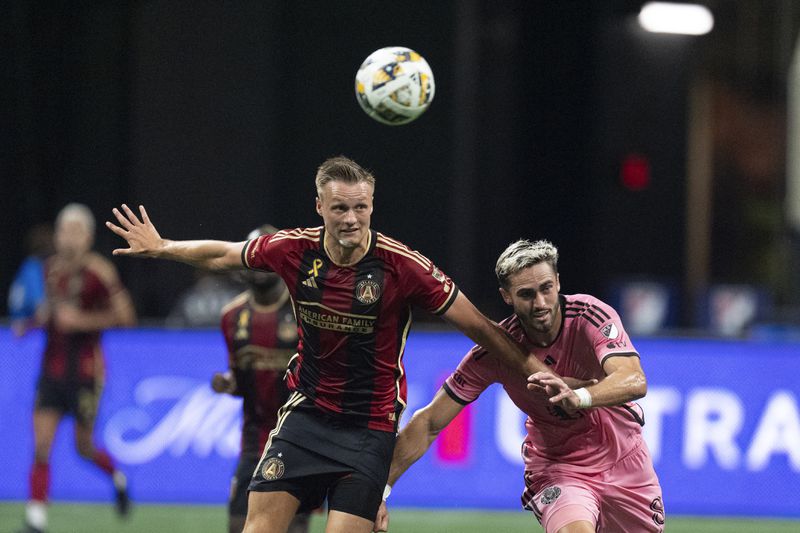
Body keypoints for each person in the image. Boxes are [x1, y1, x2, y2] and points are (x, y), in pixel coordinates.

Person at [105, 155, 554, 533]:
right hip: (306, 418)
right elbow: (225, 253)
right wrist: (163, 247)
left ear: (373, 205)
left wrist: (543, 372)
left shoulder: (404, 268)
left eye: (360, 207)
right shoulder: (293, 250)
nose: (351, 219)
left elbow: (479, 327)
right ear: (319, 205)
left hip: (369, 429)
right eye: (339, 207)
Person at [375, 239, 665, 533]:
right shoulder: (496, 352)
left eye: (546, 288)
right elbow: (428, 423)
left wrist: (578, 397)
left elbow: (634, 380)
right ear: (507, 296)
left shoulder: (590, 316)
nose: (540, 303)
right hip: (560, 468)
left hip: (625, 460)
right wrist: (378, 491)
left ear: (558, 282)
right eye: (526, 294)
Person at [21, 204, 137, 533]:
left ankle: (118, 478)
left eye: (75, 231)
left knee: (83, 447)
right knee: (41, 445)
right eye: (63, 231)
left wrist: (81, 321)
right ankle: (36, 520)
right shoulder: (49, 271)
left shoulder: (100, 272)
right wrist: (32, 323)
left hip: (87, 372)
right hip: (52, 369)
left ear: (87, 237)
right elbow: (50, 314)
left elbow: (126, 318)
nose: (68, 238)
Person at [211, 224, 309, 533]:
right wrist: (229, 383)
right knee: (238, 525)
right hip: (254, 440)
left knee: (294, 526)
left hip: (299, 439)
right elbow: (241, 377)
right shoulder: (232, 317)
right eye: (256, 260)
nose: (261, 268)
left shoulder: (304, 308)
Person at [8, 223, 53, 336]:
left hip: (15, 330)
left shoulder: (27, 266)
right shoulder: (33, 268)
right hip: (27, 335)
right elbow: (41, 313)